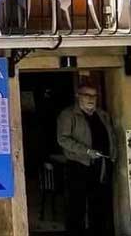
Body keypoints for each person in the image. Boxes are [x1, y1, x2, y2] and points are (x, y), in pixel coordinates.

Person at [57, 83, 117, 236]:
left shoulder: (102, 114)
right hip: (79, 165)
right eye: (87, 95)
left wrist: (113, 156)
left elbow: (111, 136)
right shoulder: (68, 114)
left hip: (101, 165)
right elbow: (63, 139)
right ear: (78, 96)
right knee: (76, 205)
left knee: (99, 203)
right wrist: (87, 151)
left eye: (94, 96)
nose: (91, 99)